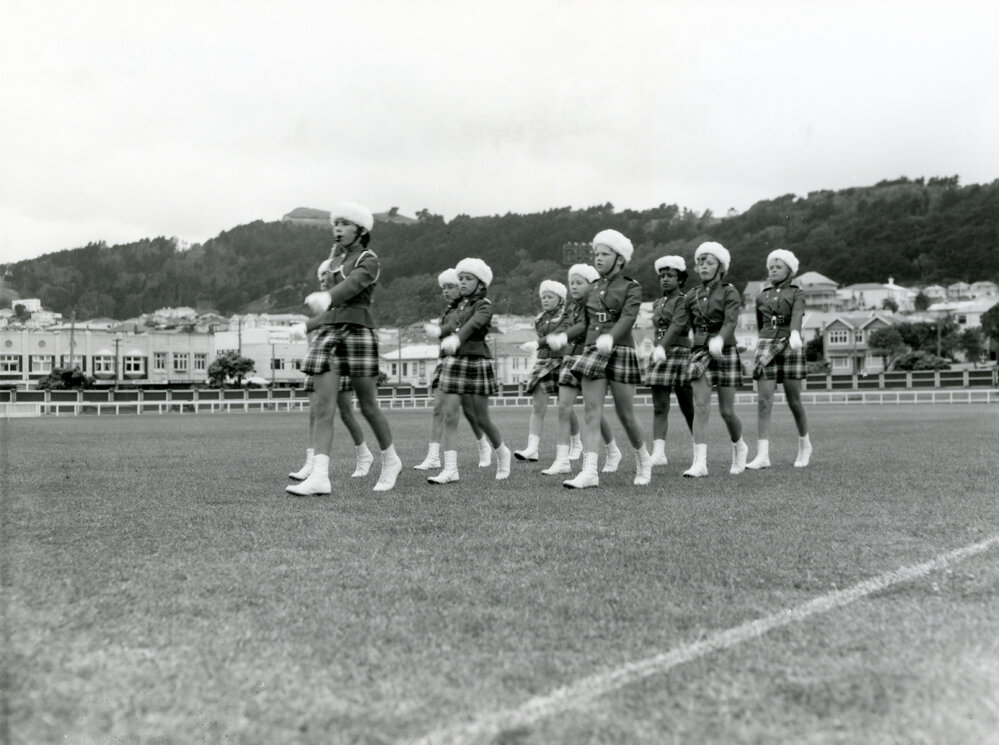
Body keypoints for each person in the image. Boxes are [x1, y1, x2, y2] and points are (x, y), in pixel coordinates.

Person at [286, 201, 402, 495]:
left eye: (344, 223)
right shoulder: (334, 262)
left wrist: (329, 295)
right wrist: (307, 325)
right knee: (325, 406)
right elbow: (331, 306)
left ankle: (391, 460)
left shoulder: (369, 259)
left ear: (360, 230)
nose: (337, 228)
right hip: (331, 334)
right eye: (335, 224)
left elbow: (353, 286)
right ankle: (320, 476)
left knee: (367, 405)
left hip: (359, 332)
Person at [561, 230, 651, 489]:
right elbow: (583, 323)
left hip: (620, 350)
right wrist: (562, 338)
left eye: (604, 254)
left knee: (626, 414)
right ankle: (590, 472)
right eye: (596, 254)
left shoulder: (631, 287)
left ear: (620, 258)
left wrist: (611, 337)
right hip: (592, 350)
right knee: (591, 412)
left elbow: (628, 317)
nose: (598, 258)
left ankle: (643, 459)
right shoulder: (592, 289)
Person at [289, 258, 374, 483]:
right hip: (321, 359)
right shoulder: (323, 303)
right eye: (321, 277)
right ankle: (311, 462)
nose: (324, 279)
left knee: (346, 411)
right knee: (315, 411)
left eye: (327, 274)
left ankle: (364, 455)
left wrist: (307, 325)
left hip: (340, 357)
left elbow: (328, 318)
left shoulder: (340, 300)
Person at [428, 257, 512, 484]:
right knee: (450, 414)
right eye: (461, 278)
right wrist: (438, 331)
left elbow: (473, 324)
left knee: (481, 418)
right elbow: (453, 324)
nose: (462, 283)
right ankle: (450, 469)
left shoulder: (484, 304)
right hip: (455, 361)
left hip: (476, 361)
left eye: (468, 279)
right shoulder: (460, 306)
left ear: (481, 282)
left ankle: (502, 452)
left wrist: (456, 338)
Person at [542, 264, 623, 475]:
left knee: (592, 410)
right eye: (572, 283)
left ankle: (613, 451)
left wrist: (563, 337)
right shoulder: (571, 307)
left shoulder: (596, 304)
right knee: (563, 407)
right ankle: (562, 459)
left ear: (592, 284)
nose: (574, 286)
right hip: (571, 356)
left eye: (579, 282)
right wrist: (551, 339)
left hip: (590, 355)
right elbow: (568, 326)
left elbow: (583, 327)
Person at [414, 268, 493, 471]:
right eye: (444, 288)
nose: (446, 291)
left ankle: (483, 446)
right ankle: (433, 457)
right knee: (439, 408)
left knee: (470, 411)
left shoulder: (466, 310)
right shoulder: (451, 309)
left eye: (451, 286)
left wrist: (441, 330)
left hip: (465, 360)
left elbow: (454, 326)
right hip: (446, 361)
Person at [682, 241, 748, 478]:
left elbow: (731, 320)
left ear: (721, 266)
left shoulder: (729, 291)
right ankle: (700, 462)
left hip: (725, 350)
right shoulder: (691, 295)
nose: (704, 266)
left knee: (727, 411)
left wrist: (720, 339)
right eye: (701, 262)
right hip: (700, 352)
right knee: (700, 406)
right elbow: (687, 321)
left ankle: (739, 446)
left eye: (710, 262)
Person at [746, 249, 812, 469]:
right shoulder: (761, 295)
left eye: (778, 266)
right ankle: (762, 455)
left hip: (790, 343)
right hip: (766, 344)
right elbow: (760, 323)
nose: (773, 270)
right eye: (771, 266)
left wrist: (794, 333)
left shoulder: (796, 293)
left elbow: (797, 314)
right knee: (764, 401)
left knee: (794, 400)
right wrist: (762, 341)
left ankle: (805, 445)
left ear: (789, 270)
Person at [513, 280, 572, 462]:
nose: (545, 300)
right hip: (543, 361)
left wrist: (537, 343)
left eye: (550, 297)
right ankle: (532, 448)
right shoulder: (539, 318)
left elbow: (561, 333)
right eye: (543, 297)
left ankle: (576, 443)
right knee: (538, 405)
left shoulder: (567, 316)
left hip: (562, 360)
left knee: (565, 407)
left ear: (560, 298)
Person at [645, 255, 695, 466]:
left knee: (687, 404)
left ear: (680, 279)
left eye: (670, 275)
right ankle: (659, 452)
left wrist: (661, 348)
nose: (665, 279)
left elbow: (677, 326)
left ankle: (698, 448)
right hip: (660, 353)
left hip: (679, 352)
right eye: (662, 276)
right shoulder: (658, 302)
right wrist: (658, 349)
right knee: (659, 406)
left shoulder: (683, 300)